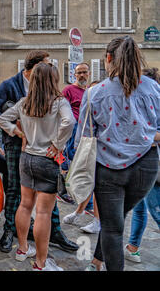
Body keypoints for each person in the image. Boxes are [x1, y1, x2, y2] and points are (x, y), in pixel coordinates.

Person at [77, 36, 159, 271]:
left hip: (108, 168)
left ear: (109, 58)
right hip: (146, 166)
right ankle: (95, 262)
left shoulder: (94, 93)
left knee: (113, 228)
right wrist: (143, 135)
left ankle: (100, 264)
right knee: (118, 217)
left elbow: (84, 137)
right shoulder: (153, 87)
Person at [0, 50, 79, 253]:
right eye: (46, 64)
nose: (49, 67)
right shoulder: (9, 85)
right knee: (14, 190)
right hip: (16, 145)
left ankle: (55, 232)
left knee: (48, 197)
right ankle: (9, 230)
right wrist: (17, 131)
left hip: (43, 150)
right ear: (35, 67)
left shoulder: (47, 91)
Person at [125, 67, 160, 263]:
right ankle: (133, 247)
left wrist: (143, 134)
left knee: (156, 210)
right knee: (140, 209)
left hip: (153, 165)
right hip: (140, 163)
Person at [61, 64, 100, 234]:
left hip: (93, 139)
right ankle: (81, 209)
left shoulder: (93, 91)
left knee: (91, 177)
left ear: (89, 73)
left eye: (85, 72)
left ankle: (90, 214)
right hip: (76, 136)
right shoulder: (69, 90)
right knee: (82, 174)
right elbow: (62, 113)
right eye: (79, 73)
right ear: (74, 74)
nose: (82, 75)